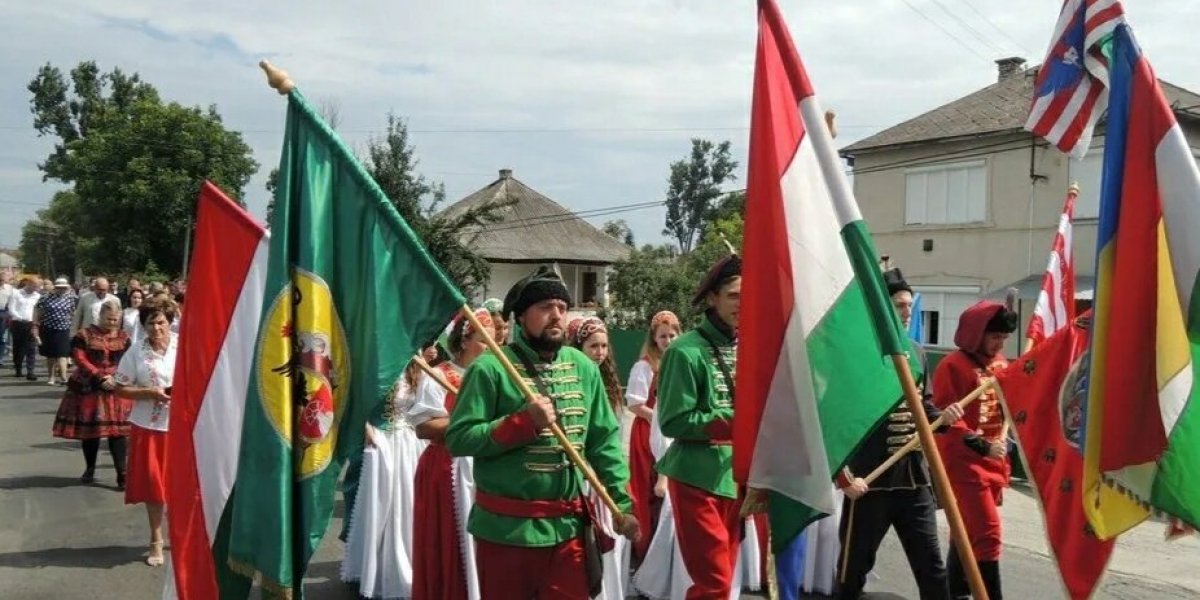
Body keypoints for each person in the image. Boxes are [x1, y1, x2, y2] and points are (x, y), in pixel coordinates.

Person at [446, 266, 638, 598]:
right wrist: (520, 424)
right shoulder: (489, 369)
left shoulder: (582, 367)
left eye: (562, 308)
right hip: (505, 531)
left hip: (567, 532)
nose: (556, 316)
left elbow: (604, 441)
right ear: (520, 317)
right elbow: (459, 438)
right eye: (545, 307)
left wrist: (622, 502)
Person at [833, 268, 965, 600]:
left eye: (909, 305)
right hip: (869, 482)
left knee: (933, 570)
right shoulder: (857, 355)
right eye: (900, 306)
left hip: (914, 481)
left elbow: (925, 408)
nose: (908, 313)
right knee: (853, 571)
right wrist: (844, 477)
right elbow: (836, 420)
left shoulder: (917, 351)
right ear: (881, 308)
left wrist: (944, 418)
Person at [655, 254, 742, 599]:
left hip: (738, 479)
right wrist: (736, 421)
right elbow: (674, 421)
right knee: (714, 583)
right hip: (696, 479)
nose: (743, 303)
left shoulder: (751, 345)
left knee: (727, 576)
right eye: (734, 295)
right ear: (712, 298)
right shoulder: (684, 351)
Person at [932, 299, 1017, 600]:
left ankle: (956, 593)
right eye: (995, 337)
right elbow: (942, 417)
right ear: (976, 333)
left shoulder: (1002, 366)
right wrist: (982, 446)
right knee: (988, 534)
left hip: (995, 462)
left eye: (1004, 339)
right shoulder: (952, 366)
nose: (999, 344)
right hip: (965, 464)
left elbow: (1009, 410)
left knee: (966, 532)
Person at [410, 310, 492, 600]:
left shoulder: (494, 375)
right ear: (465, 340)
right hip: (449, 469)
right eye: (484, 341)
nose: (491, 349)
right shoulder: (438, 375)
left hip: (486, 467)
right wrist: (468, 421)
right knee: (451, 543)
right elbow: (424, 426)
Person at [341, 356, 431, 599]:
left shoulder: (418, 367)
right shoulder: (377, 364)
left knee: (409, 505)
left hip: (411, 444)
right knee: (382, 507)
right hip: (384, 443)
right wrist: (367, 430)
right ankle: (377, 568)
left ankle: (408, 565)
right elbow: (355, 401)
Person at [568, 315, 632, 600]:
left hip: (607, 472)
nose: (600, 351)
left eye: (604, 346)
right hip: (586, 475)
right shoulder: (572, 380)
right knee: (594, 539)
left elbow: (612, 436)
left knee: (614, 540)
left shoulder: (610, 384)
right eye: (593, 345)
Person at [114, 296, 178, 567]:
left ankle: (182, 535)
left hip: (181, 427)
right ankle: (155, 539)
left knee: (182, 485)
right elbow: (120, 387)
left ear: (170, 321)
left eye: (161, 322)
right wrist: (149, 392)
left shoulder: (184, 345)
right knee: (154, 487)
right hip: (149, 427)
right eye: (150, 323)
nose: (156, 329)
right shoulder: (136, 351)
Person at [51, 302, 132, 487]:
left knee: (118, 432)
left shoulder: (124, 337)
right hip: (89, 385)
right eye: (109, 319)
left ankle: (122, 473)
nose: (112, 323)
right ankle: (90, 468)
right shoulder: (84, 335)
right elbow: (79, 357)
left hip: (115, 385)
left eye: (115, 320)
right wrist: (99, 376)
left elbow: (128, 359)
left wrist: (115, 377)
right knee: (91, 431)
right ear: (100, 316)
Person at [625, 310, 681, 564]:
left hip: (671, 430)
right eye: (662, 336)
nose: (667, 340)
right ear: (654, 338)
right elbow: (635, 404)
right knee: (648, 487)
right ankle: (645, 546)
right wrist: (660, 419)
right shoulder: (644, 365)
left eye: (672, 335)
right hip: (648, 430)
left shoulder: (680, 361)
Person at [35, 277, 78, 385]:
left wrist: (75, 326)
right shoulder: (45, 297)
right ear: (55, 288)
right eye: (59, 288)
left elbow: (74, 313)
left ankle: (63, 377)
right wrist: (35, 324)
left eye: (64, 288)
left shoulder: (71, 298)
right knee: (51, 355)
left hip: (64, 329)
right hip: (48, 328)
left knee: (63, 354)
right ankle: (51, 377)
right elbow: (38, 311)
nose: (61, 290)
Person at [6, 277, 41, 380]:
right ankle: (18, 368)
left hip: (31, 324)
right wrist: (20, 318)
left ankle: (30, 371)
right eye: (34, 286)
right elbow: (11, 309)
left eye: (37, 287)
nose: (36, 289)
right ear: (28, 283)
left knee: (31, 348)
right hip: (18, 323)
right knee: (19, 348)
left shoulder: (37, 296)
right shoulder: (16, 293)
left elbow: (38, 310)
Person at [0, 271, 14, 368]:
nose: (1, 281)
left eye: (2, 280)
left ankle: (0, 358)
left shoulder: (10, 289)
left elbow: (12, 303)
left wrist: (10, 315)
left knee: (2, 338)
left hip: (4, 313)